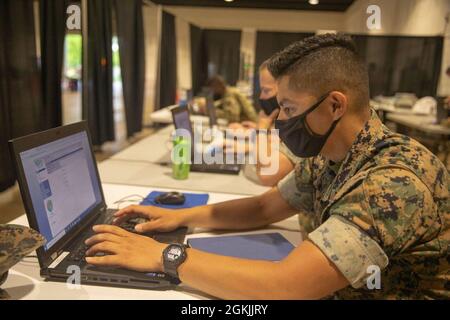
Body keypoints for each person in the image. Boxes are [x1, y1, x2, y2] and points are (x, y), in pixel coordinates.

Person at [84, 34, 449, 299]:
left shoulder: (391, 182)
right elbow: (263, 207)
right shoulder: (331, 155)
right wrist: (181, 217)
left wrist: (164, 255)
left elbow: (288, 286)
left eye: (289, 108)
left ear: (335, 105)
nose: (281, 120)